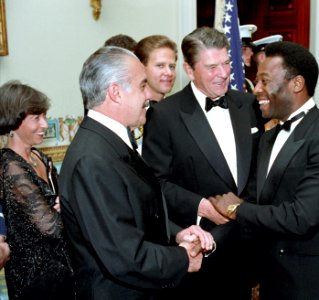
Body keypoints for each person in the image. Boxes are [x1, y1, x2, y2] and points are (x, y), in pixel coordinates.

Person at [58, 46, 214, 300]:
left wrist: (175, 234)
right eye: (142, 86)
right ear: (116, 93)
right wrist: (182, 257)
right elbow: (123, 256)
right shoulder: (93, 159)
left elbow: (133, 215)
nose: (149, 96)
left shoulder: (109, 142)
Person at [209, 41, 319, 300]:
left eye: (265, 81)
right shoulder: (268, 136)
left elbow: (302, 217)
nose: (256, 90)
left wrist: (236, 208)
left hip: (310, 283)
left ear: (296, 84)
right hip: (269, 278)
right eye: (257, 81)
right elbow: (256, 200)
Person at [141, 26, 263, 300]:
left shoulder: (248, 104)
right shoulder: (164, 115)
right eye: (211, 67)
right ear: (189, 68)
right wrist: (202, 207)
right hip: (200, 252)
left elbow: (260, 169)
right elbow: (155, 184)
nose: (223, 74)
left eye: (226, 64)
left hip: (247, 248)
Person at [0, 81, 74, 299]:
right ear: (14, 121)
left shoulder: (39, 157)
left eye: (44, 116)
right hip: (35, 280)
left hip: (61, 270)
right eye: (36, 118)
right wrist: (70, 207)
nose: (45, 124)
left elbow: (65, 198)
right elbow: (51, 227)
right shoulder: (10, 166)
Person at [134, 35, 178, 103]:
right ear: (141, 67)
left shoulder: (176, 108)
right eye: (160, 66)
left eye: (172, 66)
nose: (169, 73)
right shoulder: (129, 110)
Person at [239, 24, 257, 93]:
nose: (251, 53)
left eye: (250, 49)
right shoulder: (226, 82)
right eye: (244, 49)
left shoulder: (248, 83)